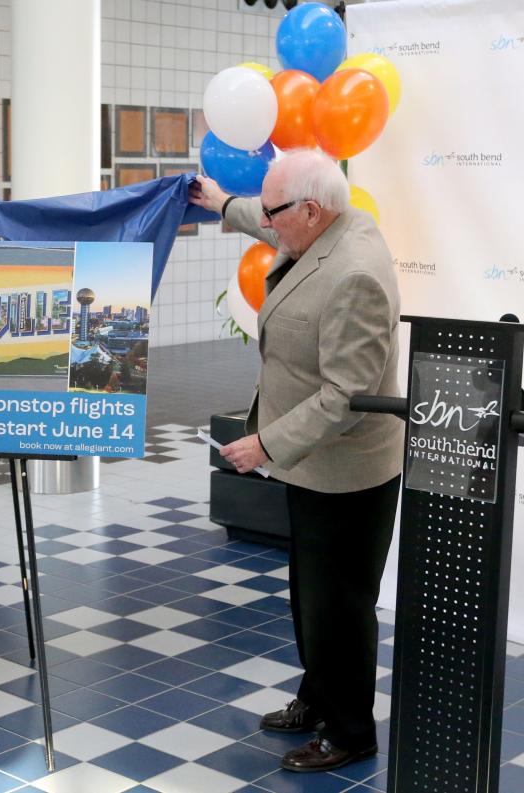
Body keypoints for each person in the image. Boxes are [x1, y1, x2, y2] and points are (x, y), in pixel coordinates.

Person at [189, 149, 404, 773]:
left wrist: (266, 443)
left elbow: (348, 397)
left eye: (275, 211)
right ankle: (317, 696)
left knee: (339, 605)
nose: (268, 221)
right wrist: (219, 202)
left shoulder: (355, 272)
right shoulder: (324, 225)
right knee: (309, 594)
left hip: (344, 470)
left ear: (311, 210)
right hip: (310, 465)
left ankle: (350, 731)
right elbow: (264, 215)